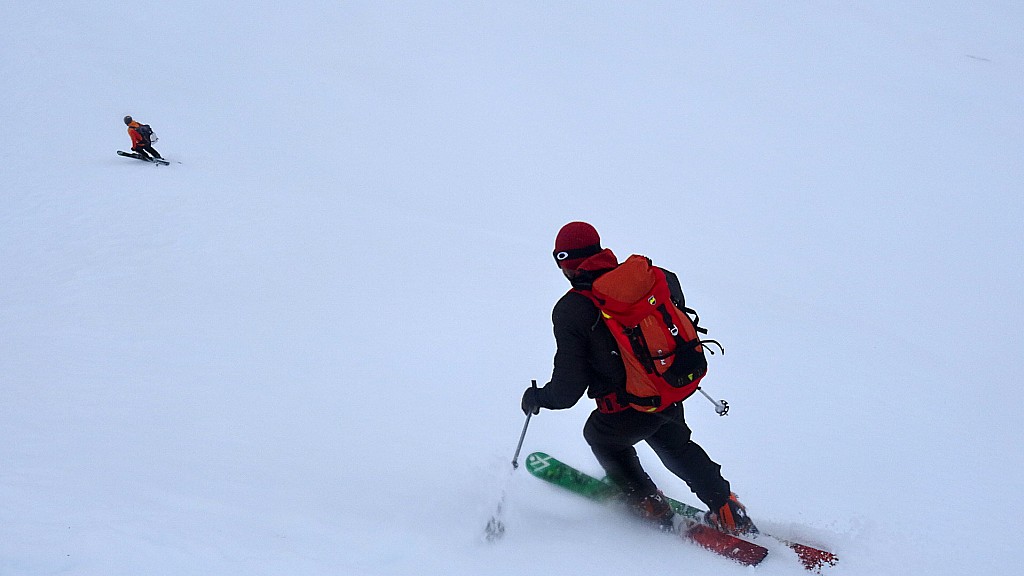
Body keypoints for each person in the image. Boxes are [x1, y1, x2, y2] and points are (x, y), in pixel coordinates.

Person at [521, 221, 754, 535]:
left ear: (566, 265)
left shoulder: (572, 309)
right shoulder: (655, 278)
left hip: (628, 406)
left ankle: (645, 501)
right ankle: (727, 508)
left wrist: (538, 398)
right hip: (669, 387)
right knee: (676, 444)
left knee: (601, 437)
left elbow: (567, 391)